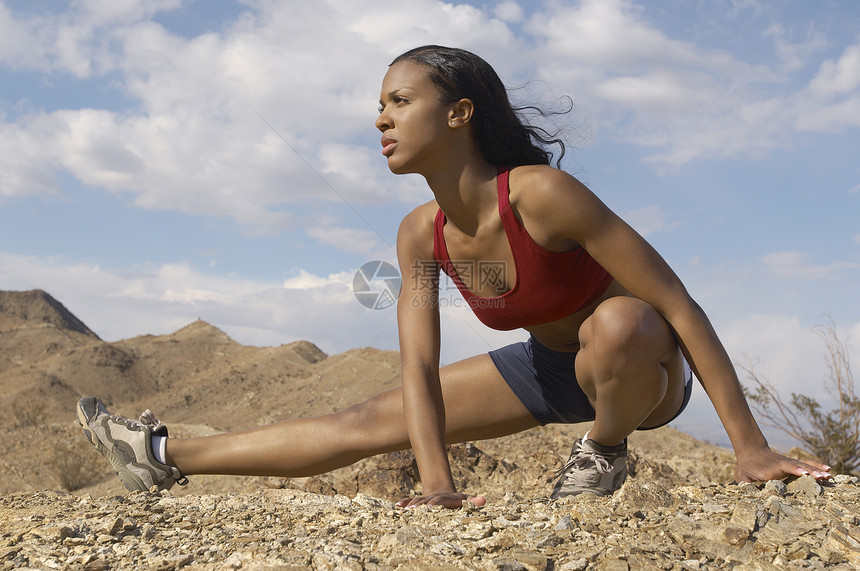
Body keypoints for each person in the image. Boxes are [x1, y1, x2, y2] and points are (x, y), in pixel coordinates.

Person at [77, 45, 831, 510]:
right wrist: (435, 480)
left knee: (618, 322)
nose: (382, 118)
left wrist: (749, 445)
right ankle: (162, 455)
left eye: (401, 101)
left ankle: (604, 447)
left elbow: (680, 306)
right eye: (379, 105)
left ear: (460, 113)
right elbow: (420, 368)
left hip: (643, 371)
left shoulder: (540, 194)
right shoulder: (419, 234)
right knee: (367, 419)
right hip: (549, 369)